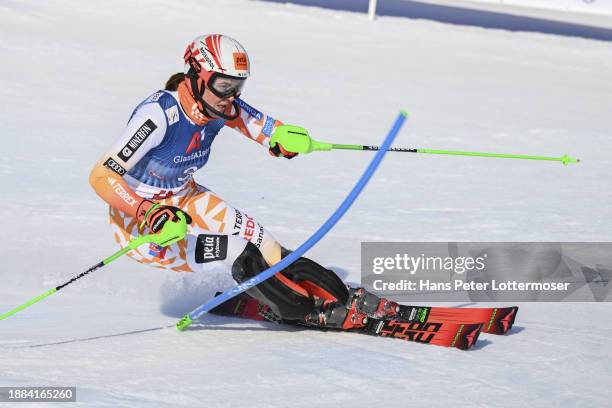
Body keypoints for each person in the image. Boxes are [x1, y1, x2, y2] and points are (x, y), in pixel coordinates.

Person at [89, 34, 399, 330]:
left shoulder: (220, 104)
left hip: (186, 198)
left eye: (238, 86)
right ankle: (301, 310)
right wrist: (147, 212)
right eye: (224, 85)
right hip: (142, 225)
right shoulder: (159, 115)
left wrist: (285, 138)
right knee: (237, 251)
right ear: (197, 76)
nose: (231, 96)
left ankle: (340, 295)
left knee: (266, 246)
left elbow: (265, 129)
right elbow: (102, 175)